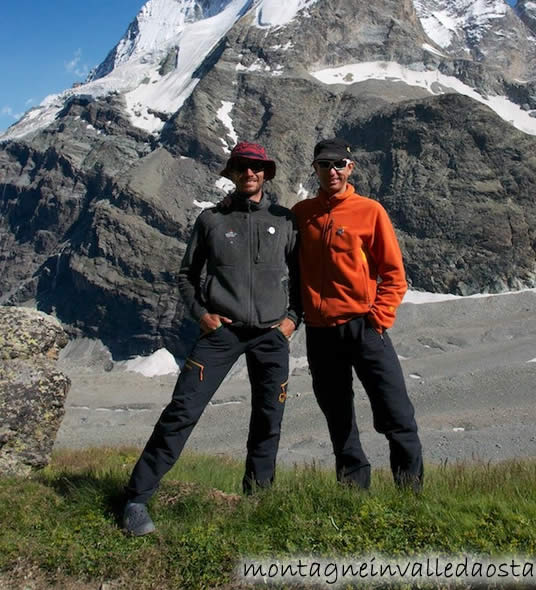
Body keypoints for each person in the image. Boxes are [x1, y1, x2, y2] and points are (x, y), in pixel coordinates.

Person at [122, 142, 300, 536]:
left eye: (256, 167)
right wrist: (202, 315)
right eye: (241, 166)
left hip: (271, 335)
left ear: (266, 173)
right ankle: (136, 499)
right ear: (232, 173)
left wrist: (292, 320)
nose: (249, 173)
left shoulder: (285, 220)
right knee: (182, 411)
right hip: (222, 334)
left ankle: (257, 503)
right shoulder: (211, 221)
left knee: (268, 420)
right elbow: (186, 275)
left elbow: (302, 278)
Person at [292, 137, 423, 490]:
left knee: (395, 412)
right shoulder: (302, 214)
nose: (331, 171)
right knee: (339, 417)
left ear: (350, 168)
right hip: (320, 333)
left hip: (363, 327)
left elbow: (394, 274)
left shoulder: (369, 211)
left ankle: (410, 493)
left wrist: (378, 319)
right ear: (315, 169)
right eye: (324, 164)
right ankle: (353, 493)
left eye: (338, 164)